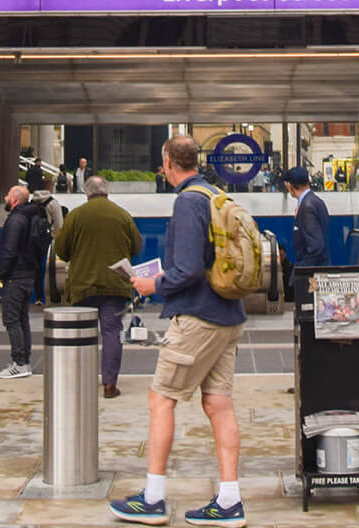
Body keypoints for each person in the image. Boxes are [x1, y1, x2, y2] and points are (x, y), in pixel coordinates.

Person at [111, 135, 247, 528]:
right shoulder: (215, 195)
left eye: (162, 163)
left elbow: (186, 271)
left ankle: (152, 498)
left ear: (169, 162)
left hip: (198, 318)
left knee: (161, 398)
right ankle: (229, 501)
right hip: (228, 315)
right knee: (219, 405)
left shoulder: (188, 202)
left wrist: (153, 285)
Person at [51, 174, 142, 397]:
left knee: (82, 334)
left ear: (86, 192)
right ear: (107, 191)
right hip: (115, 284)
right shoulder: (121, 214)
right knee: (112, 332)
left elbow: (61, 249)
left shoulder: (76, 216)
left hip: (83, 284)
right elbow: (136, 246)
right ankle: (110, 384)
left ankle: (80, 381)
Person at [0, 183, 46, 379]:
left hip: (15, 276)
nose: (4, 198)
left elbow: (9, 250)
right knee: (22, 319)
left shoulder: (15, 220)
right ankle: (24, 361)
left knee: (11, 320)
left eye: (7, 195)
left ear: (14, 200)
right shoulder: (33, 217)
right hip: (29, 274)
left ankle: (19, 363)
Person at [285, 165, 329, 268]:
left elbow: (316, 247)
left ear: (290, 186)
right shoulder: (314, 201)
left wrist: (301, 269)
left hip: (311, 275)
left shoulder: (307, 206)